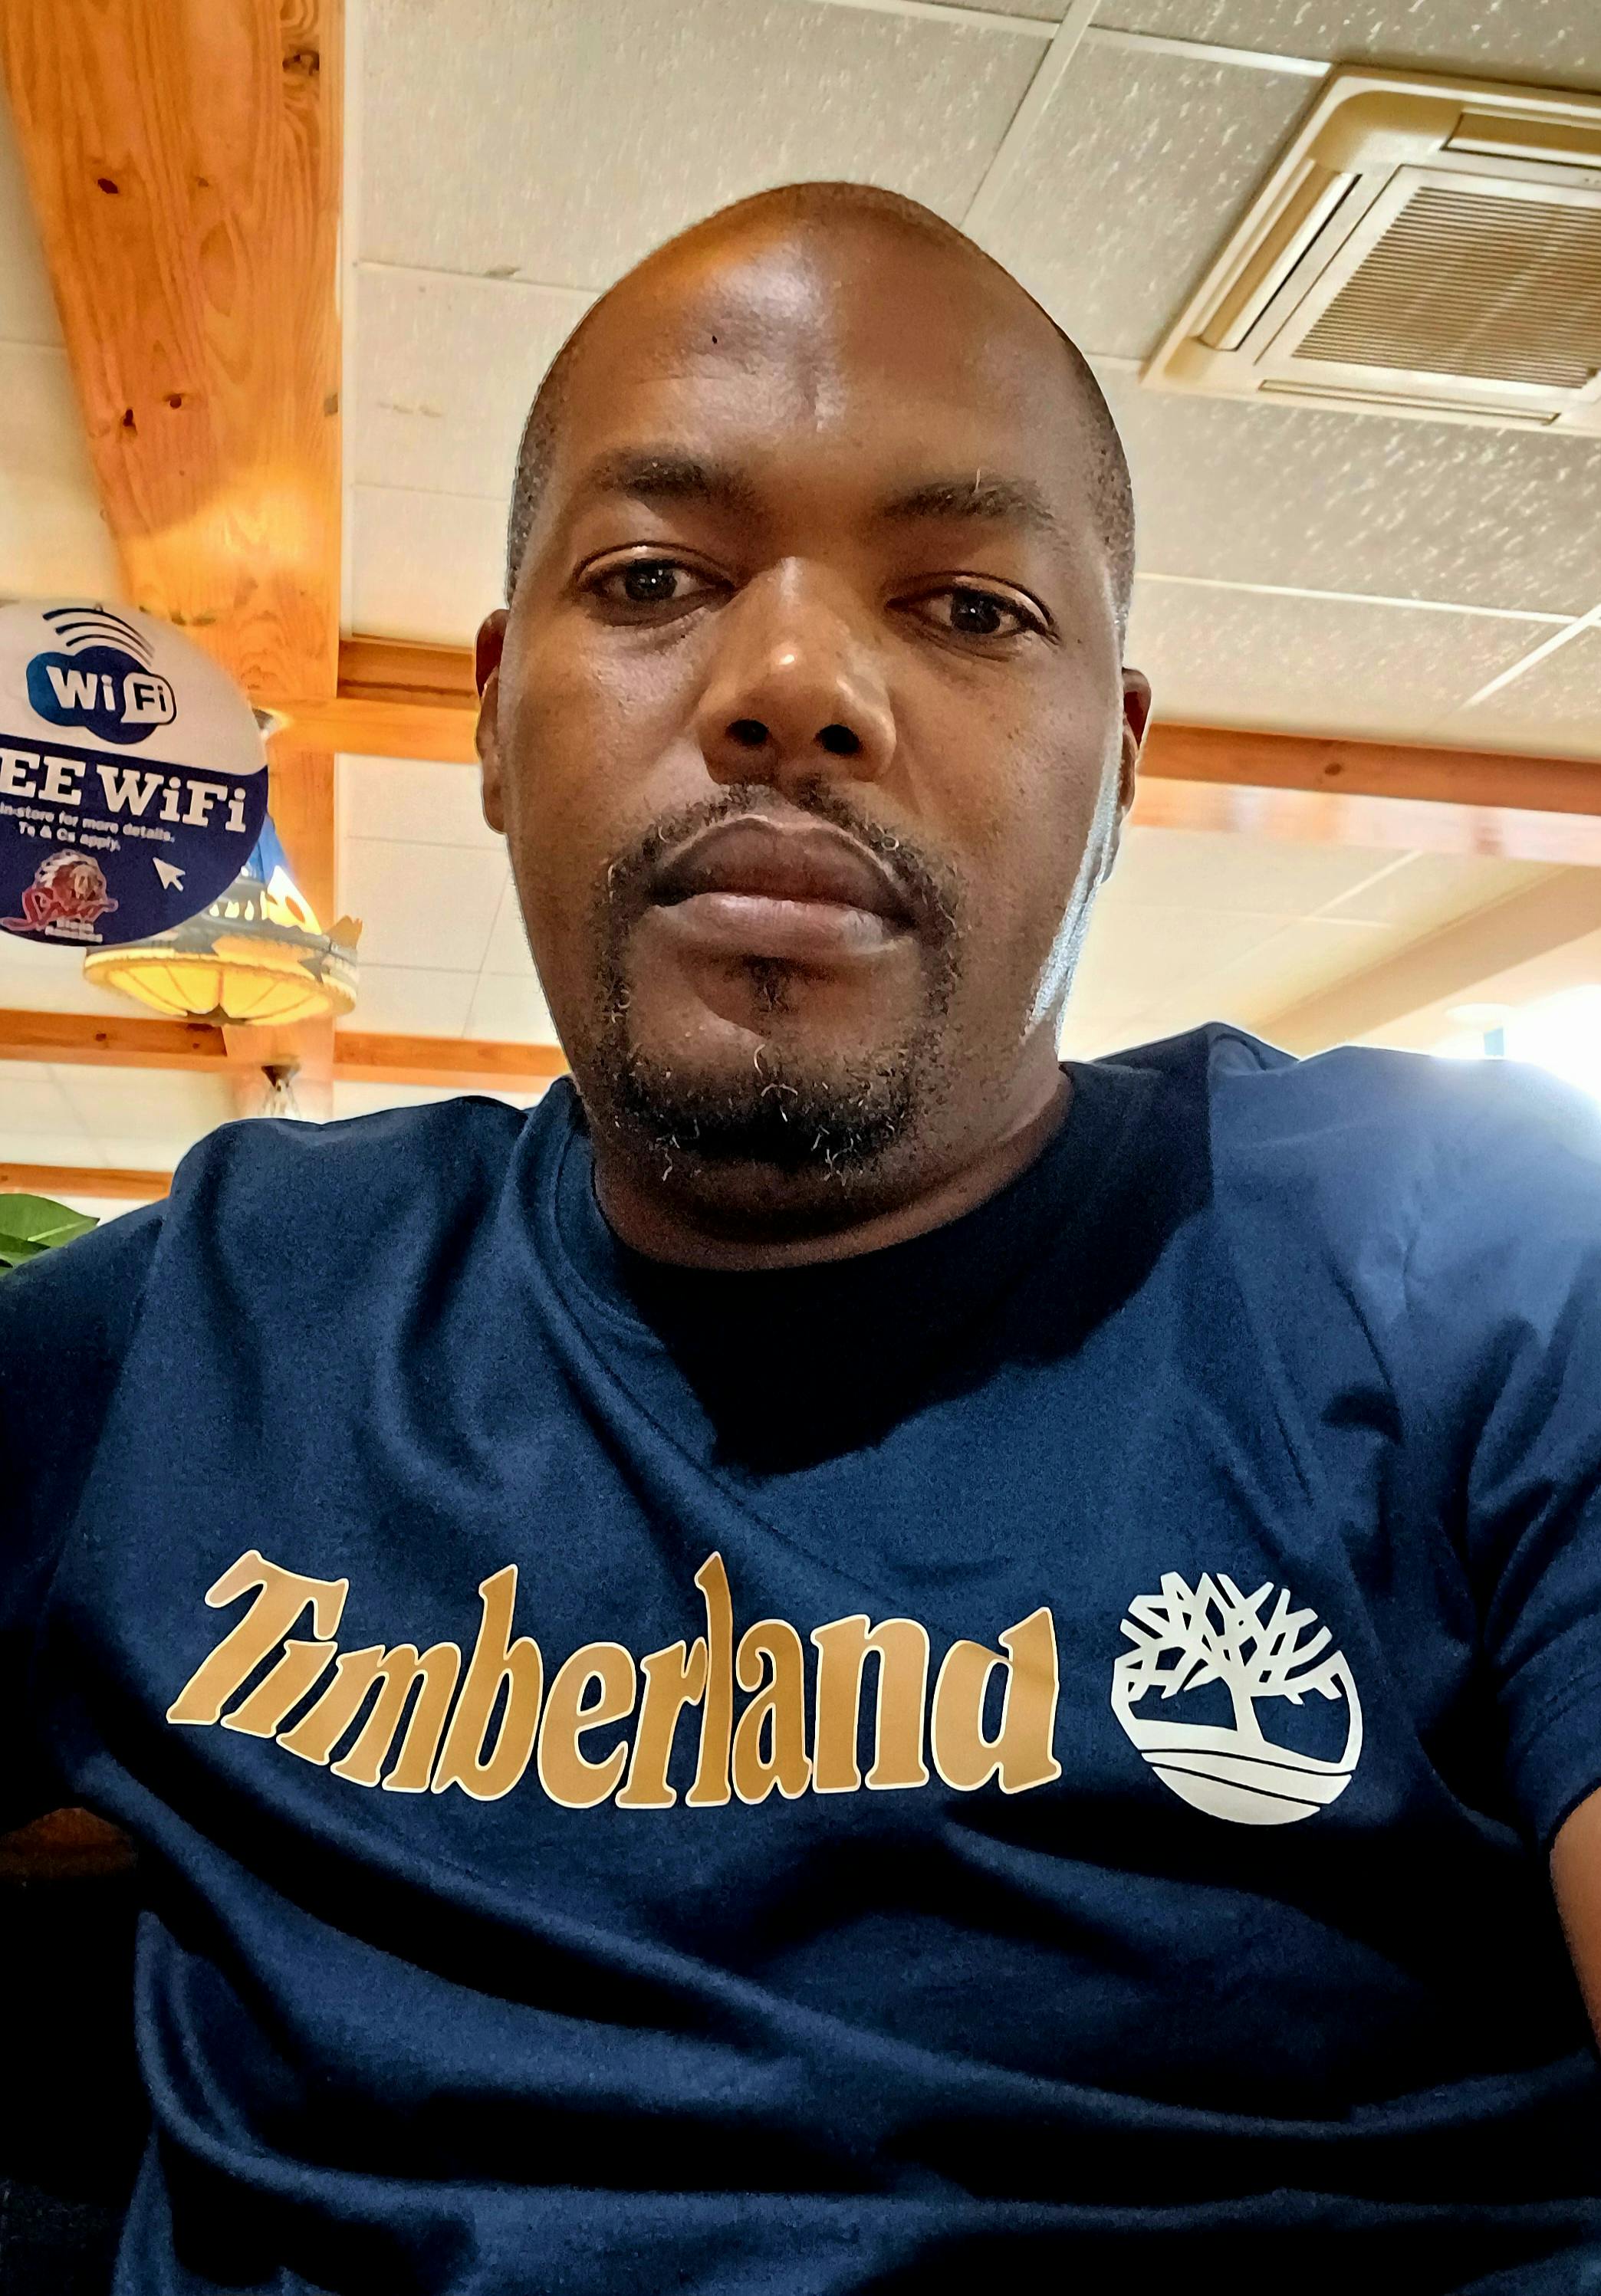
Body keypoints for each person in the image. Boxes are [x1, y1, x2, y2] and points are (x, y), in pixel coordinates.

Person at [2, 180, 1599, 2296]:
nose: (791, 684)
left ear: (1120, 767)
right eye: (654, 577)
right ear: (492, 718)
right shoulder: (204, 1321)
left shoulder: (1473, 1259)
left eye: (971, 609)